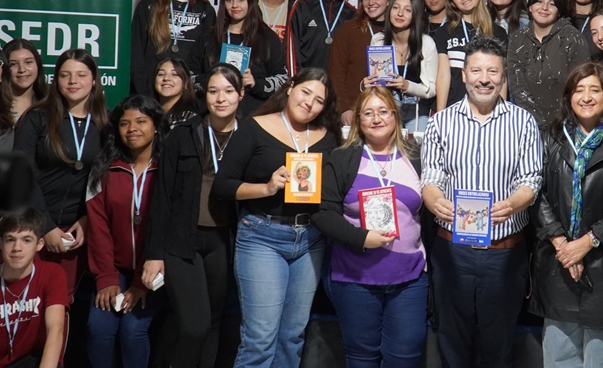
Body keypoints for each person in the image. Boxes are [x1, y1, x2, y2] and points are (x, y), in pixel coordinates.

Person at [421, 36, 543, 367]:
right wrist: (435, 201)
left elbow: (532, 179)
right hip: (452, 252)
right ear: (464, 74)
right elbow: (431, 177)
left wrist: (515, 203)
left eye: (492, 71)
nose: (484, 78)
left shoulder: (523, 122)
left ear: (504, 76)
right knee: (452, 345)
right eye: (476, 70)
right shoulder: (441, 123)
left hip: (504, 254)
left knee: (499, 348)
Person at [213, 68, 342, 368]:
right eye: (306, 92)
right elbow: (223, 185)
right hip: (262, 237)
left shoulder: (327, 138)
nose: (310, 103)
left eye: (319, 100)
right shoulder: (255, 127)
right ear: (290, 87)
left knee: (292, 337)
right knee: (260, 339)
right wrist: (267, 187)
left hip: (310, 240)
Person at [530, 62, 603, 367]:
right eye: (579, 89)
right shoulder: (547, 138)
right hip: (558, 265)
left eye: (595, 89)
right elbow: (535, 193)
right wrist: (562, 245)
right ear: (568, 96)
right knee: (559, 358)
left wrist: (584, 244)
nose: (587, 96)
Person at [313, 87, 427, 367]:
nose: (376, 118)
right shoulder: (342, 158)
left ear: (395, 116)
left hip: (409, 278)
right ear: (357, 121)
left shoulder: (416, 156)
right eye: (368, 113)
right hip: (355, 277)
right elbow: (322, 212)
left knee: (405, 358)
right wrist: (361, 237)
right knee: (362, 356)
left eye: (383, 111)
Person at [143, 64, 243, 368]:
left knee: (213, 323)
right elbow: (161, 198)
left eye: (228, 91)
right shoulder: (183, 135)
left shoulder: (250, 137)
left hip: (224, 241)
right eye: (213, 91)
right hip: (181, 242)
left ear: (241, 94)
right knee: (194, 326)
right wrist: (154, 253)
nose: (220, 98)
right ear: (204, 95)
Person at [15, 49, 108, 299]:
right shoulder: (36, 118)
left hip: (74, 232)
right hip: (31, 227)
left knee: (60, 302)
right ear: (55, 80)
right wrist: (46, 226)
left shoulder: (105, 124)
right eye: (65, 75)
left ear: (94, 80)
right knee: (24, 303)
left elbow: (105, 181)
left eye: (81, 75)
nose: (73, 81)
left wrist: (89, 219)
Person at [86, 95, 169, 368]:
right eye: (124, 123)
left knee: (133, 331)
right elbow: (98, 227)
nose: (131, 128)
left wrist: (141, 282)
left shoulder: (169, 168)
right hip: (114, 271)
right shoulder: (104, 169)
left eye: (141, 121)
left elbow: (170, 226)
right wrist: (106, 277)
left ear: (156, 126)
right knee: (99, 328)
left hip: (154, 272)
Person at [0, 208, 68, 368]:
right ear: (0, 243)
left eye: (26, 240)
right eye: (10, 239)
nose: (17, 248)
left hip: (36, 361)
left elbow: (55, 331)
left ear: (39, 244)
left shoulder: (53, 274)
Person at [198, 0, 288, 116]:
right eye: (229, 0)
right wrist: (210, 81)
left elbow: (282, 79)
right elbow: (190, 75)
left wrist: (256, 84)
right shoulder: (209, 36)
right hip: (213, 113)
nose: (234, 5)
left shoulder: (267, 38)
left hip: (253, 115)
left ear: (250, 2)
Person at [131, 0, 215, 96]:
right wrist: (145, 93)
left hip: (189, 95)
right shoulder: (148, 5)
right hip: (152, 92)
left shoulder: (205, 9)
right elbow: (136, 53)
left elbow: (207, 59)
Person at [508, 0, 590, 127]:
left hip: (566, 124)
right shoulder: (517, 39)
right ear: (530, 6)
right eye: (539, 1)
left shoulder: (573, 38)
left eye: (552, 4)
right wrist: (538, 124)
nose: (544, 8)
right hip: (528, 123)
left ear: (559, 10)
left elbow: (579, 86)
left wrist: (559, 126)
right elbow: (519, 89)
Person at [433, 0, 508, 110]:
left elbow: (502, 76)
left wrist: (502, 111)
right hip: (454, 109)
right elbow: (443, 76)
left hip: (489, 109)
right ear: (452, 3)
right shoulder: (444, 33)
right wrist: (440, 114)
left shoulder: (498, 33)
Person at [368, 0, 438, 132]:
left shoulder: (426, 43)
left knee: (417, 151)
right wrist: (365, 85)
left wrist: (407, 85)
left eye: (407, 10)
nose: (400, 14)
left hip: (417, 106)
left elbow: (431, 90)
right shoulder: (378, 40)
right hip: (388, 104)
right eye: (395, 7)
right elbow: (376, 83)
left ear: (415, 16)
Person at [329, 0, 392, 125]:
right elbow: (336, 72)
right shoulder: (349, 29)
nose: (371, 3)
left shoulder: (397, 30)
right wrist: (344, 108)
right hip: (354, 110)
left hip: (389, 112)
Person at [4, 38, 48, 120]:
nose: (22, 70)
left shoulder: (50, 105)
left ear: (37, 64)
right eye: (13, 64)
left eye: (28, 62)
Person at [152, 58, 197, 126]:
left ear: (185, 83)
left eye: (174, 74)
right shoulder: (148, 114)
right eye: (161, 74)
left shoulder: (188, 119)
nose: (166, 78)